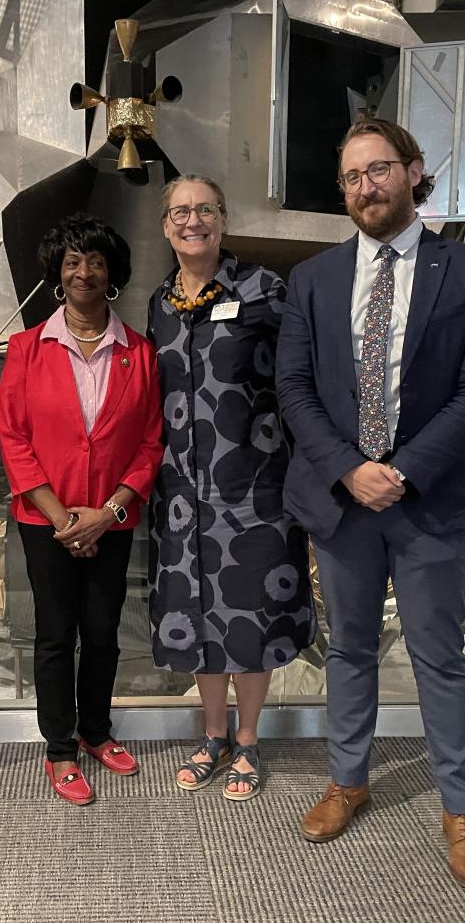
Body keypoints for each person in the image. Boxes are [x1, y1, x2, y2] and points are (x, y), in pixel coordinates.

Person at [277, 118, 465, 891]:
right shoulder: (313, 280)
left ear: (415, 173)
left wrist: (400, 470)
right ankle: (349, 781)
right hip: (343, 504)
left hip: (431, 499)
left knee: (439, 657)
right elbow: (295, 389)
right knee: (347, 650)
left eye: (378, 170)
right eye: (351, 177)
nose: (365, 187)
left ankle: (462, 813)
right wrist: (350, 469)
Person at [148, 174, 315, 802]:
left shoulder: (264, 291)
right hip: (181, 492)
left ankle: (247, 740)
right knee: (196, 617)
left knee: (248, 616)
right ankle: (211, 734)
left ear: (223, 219)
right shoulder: (160, 303)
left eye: (206, 210)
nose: (193, 221)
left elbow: (300, 383)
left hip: (252, 491)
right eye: (180, 211)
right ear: (166, 225)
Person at [0, 213, 162, 806]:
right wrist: (64, 516)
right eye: (72, 262)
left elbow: (150, 442)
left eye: (94, 261)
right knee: (54, 635)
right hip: (47, 522)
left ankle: (96, 731)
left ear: (111, 273)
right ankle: (59, 748)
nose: (83, 271)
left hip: (111, 520)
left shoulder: (138, 353)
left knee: (103, 632)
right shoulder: (26, 348)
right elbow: (12, 437)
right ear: (58, 274)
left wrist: (109, 512)